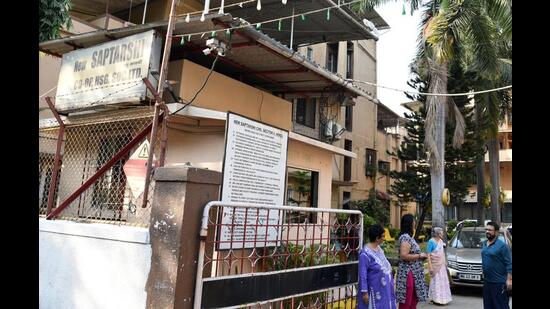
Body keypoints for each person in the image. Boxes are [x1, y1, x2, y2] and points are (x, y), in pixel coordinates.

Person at [358, 224, 397, 309]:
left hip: (384, 290)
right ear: (377, 238)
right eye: (382, 236)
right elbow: (362, 274)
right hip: (374, 292)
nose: (384, 238)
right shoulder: (365, 254)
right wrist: (364, 292)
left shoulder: (379, 249)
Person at [395, 214, 428, 309]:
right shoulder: (405, 238)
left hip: (413, 272)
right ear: (409, 223)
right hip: (407, 272)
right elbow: (404, 255)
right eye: (413, 221)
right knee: (407, 301)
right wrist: (419, 255)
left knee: (413, 299)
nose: (415, 223)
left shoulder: (408, 237)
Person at [481, 221, 512, 309]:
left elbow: (509, 264)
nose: (487, 231)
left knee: (500, 306)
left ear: (496, 232)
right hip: (487, 282)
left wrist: (510, 280)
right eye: (486, 229)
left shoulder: (503, 246)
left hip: (499, 283)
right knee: (488, 306)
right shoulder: (484, 243)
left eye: (490, 230)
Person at [426, 227, 452, 305]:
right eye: (441, 233)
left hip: (442, 266)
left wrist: (445, 262)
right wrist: (430, 266)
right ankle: (436, 299)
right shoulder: (431, 242)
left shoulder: (441, 241)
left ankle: (444, 298)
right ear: (437, 234)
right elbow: (428, 254)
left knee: (442, 281)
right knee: (436, 281)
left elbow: (442, 253)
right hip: (435, 265)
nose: (443, 234)